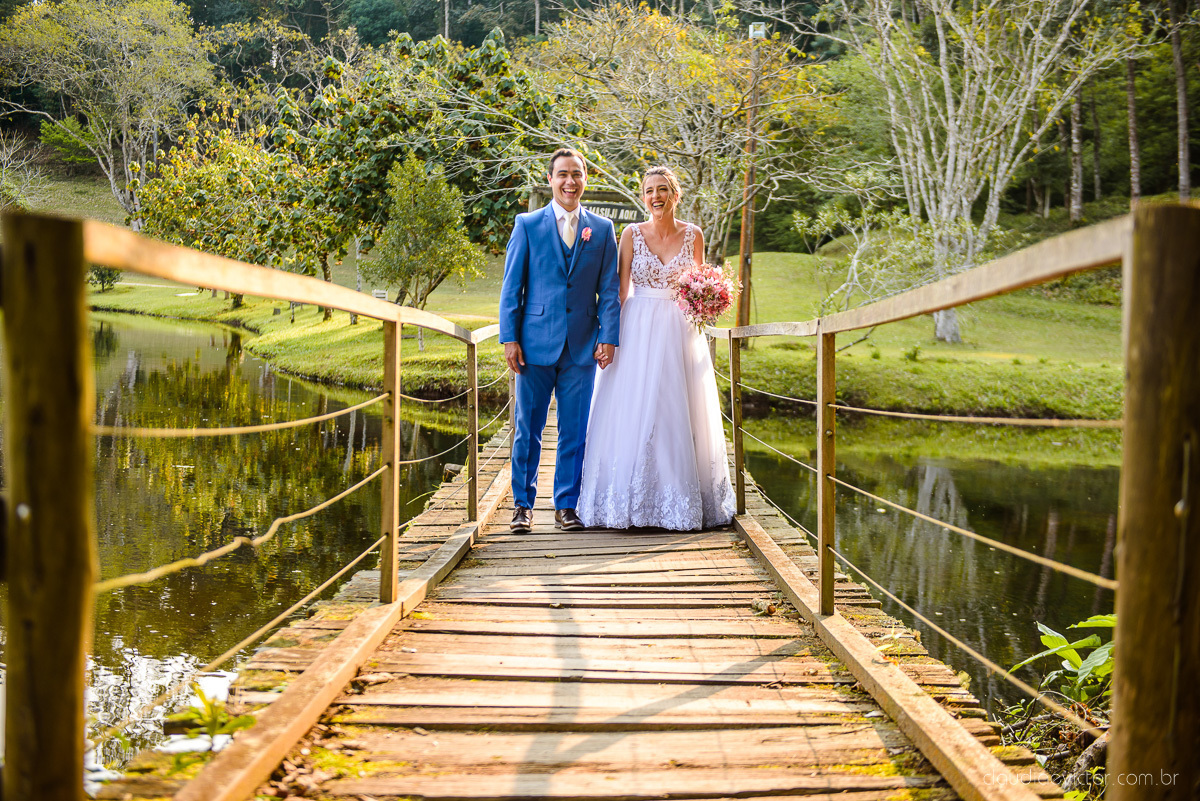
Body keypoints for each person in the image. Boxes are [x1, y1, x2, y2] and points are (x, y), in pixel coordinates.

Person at [578, 166, 735, 531]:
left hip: (679, 331)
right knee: (634, 408)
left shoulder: (693, 235)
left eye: (662, 189)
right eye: (649, 191)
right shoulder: (631, 234)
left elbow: (699, 283)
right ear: (643, 196)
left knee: (674, 409)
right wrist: (606, 335)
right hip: (638, 327)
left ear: (675, 194)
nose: (655, 197)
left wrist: (709, 302)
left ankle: (677, 498)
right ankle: (628, 499)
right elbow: (619, 291)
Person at [499, 148, 621, 533]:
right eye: (563, 174)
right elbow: (511, 288)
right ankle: (522, 505)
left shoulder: (601, 230)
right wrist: (509, 338)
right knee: (528, 428)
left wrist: (609, 336)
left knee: (575, 429)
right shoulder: (528, 224)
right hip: (533, 344)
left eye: (577, 174)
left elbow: (610, 290)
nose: (570, 181)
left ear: (586, 179)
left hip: (582, 346)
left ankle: (566, 504)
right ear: (551, 179)